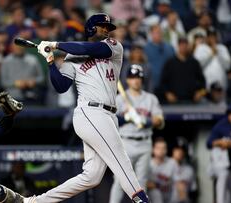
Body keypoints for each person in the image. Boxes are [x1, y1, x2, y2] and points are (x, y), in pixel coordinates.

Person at [24, 13, 151, 203]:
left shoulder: (113, 46)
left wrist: (56, 44)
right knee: (122, 161)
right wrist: (50, 61)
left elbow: (89, 48)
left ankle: (37, 201)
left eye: (108, 27)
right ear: (91, 28)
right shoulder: (72, 56)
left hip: (108, 115)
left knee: (91, 177)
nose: (107, 30)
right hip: (90, 112)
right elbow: (61, 86)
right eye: (102, 26)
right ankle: (142, 200)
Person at [109, 64, 164, 203]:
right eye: (133, 77)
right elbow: (110, 121)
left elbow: (159, 121)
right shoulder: (119, 99)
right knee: (120, 181)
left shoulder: (150, 98)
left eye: (138, 77)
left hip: (145, 142)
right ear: (127, 80)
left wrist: (145, 120)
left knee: (141, 183)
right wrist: (126, 118)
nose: (136, 80)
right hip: (125, 142)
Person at [147, 137, 177, 203]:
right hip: (152, 198)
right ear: (153, 149)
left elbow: (178, 182)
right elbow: (143, 183)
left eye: (163, 148)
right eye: (158, 148)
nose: (161, 151)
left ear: (166, 150)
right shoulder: (148, 163)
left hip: (169, 196)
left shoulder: (172, 163)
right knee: (155, 192)